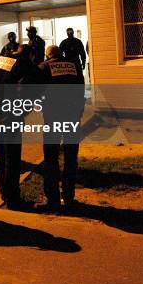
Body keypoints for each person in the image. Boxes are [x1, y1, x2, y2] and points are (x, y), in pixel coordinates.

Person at [0, 45, 41, 210]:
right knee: (13, 157)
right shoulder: (25, 63)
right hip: (9, 114)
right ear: (30, 54)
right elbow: (33, 87)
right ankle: (13, 199)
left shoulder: (3, 59)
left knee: (2, 155)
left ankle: (3, 190)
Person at [38, 45, 85, 213]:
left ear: (48, 55)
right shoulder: (73, 66)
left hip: (53, 117)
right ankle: (69, 197)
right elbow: (81, 89)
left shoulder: (44, 67)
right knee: (71, 157)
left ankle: (53, 200)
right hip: (72, 116)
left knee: (51, 158)